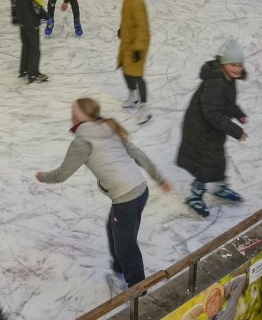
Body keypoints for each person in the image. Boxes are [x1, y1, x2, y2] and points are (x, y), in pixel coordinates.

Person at [34, 97, 171, 293]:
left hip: (126, 199)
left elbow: (61, 174)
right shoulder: (109, 129)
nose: (70, 117)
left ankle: (138, 291)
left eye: (73, 113)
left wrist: (42, 177)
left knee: (126, 246)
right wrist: (159, 178)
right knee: (114, 230)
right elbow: (138, 155)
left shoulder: (82, 142)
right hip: (140, 190)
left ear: (79, 118)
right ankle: (119, 272)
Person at [176, 39, 248, 219]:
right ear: (223, 64)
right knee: (204, 164)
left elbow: (227, 102)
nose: (237, 69)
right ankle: (195, 196)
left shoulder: (228, 78)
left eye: (239, 65)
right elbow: (212, 112)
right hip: (200, 130)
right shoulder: (215, 82)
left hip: (212, 129)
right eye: (233, 64)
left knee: (217, 159)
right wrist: (235, 130)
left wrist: (237, 113)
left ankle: (218, 187)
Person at [117, 0, 152, 121]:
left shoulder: (137, 1)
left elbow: (143, 27)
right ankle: (133, 95)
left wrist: (138, 48)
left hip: (138, 44)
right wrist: (122, 29)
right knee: (125, 69)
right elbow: (129, 20)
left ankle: (145, 108)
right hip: (128, 41)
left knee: (137, 75)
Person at [182, 273, 248, 320]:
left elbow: (242, 278)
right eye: (209, 299)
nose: (213, 299)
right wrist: (202, 307)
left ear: (221, 300)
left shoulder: (227, 313)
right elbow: (185, 319)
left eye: (216, 295)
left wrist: (223, 290)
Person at [13, 0, 48, 84]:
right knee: (34, 48)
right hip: (32, 23)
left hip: (22, 21)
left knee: (26, 45)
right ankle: (33, 73)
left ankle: (23, 70)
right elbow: (37, 7)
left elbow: (15, 0)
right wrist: (47, 17)